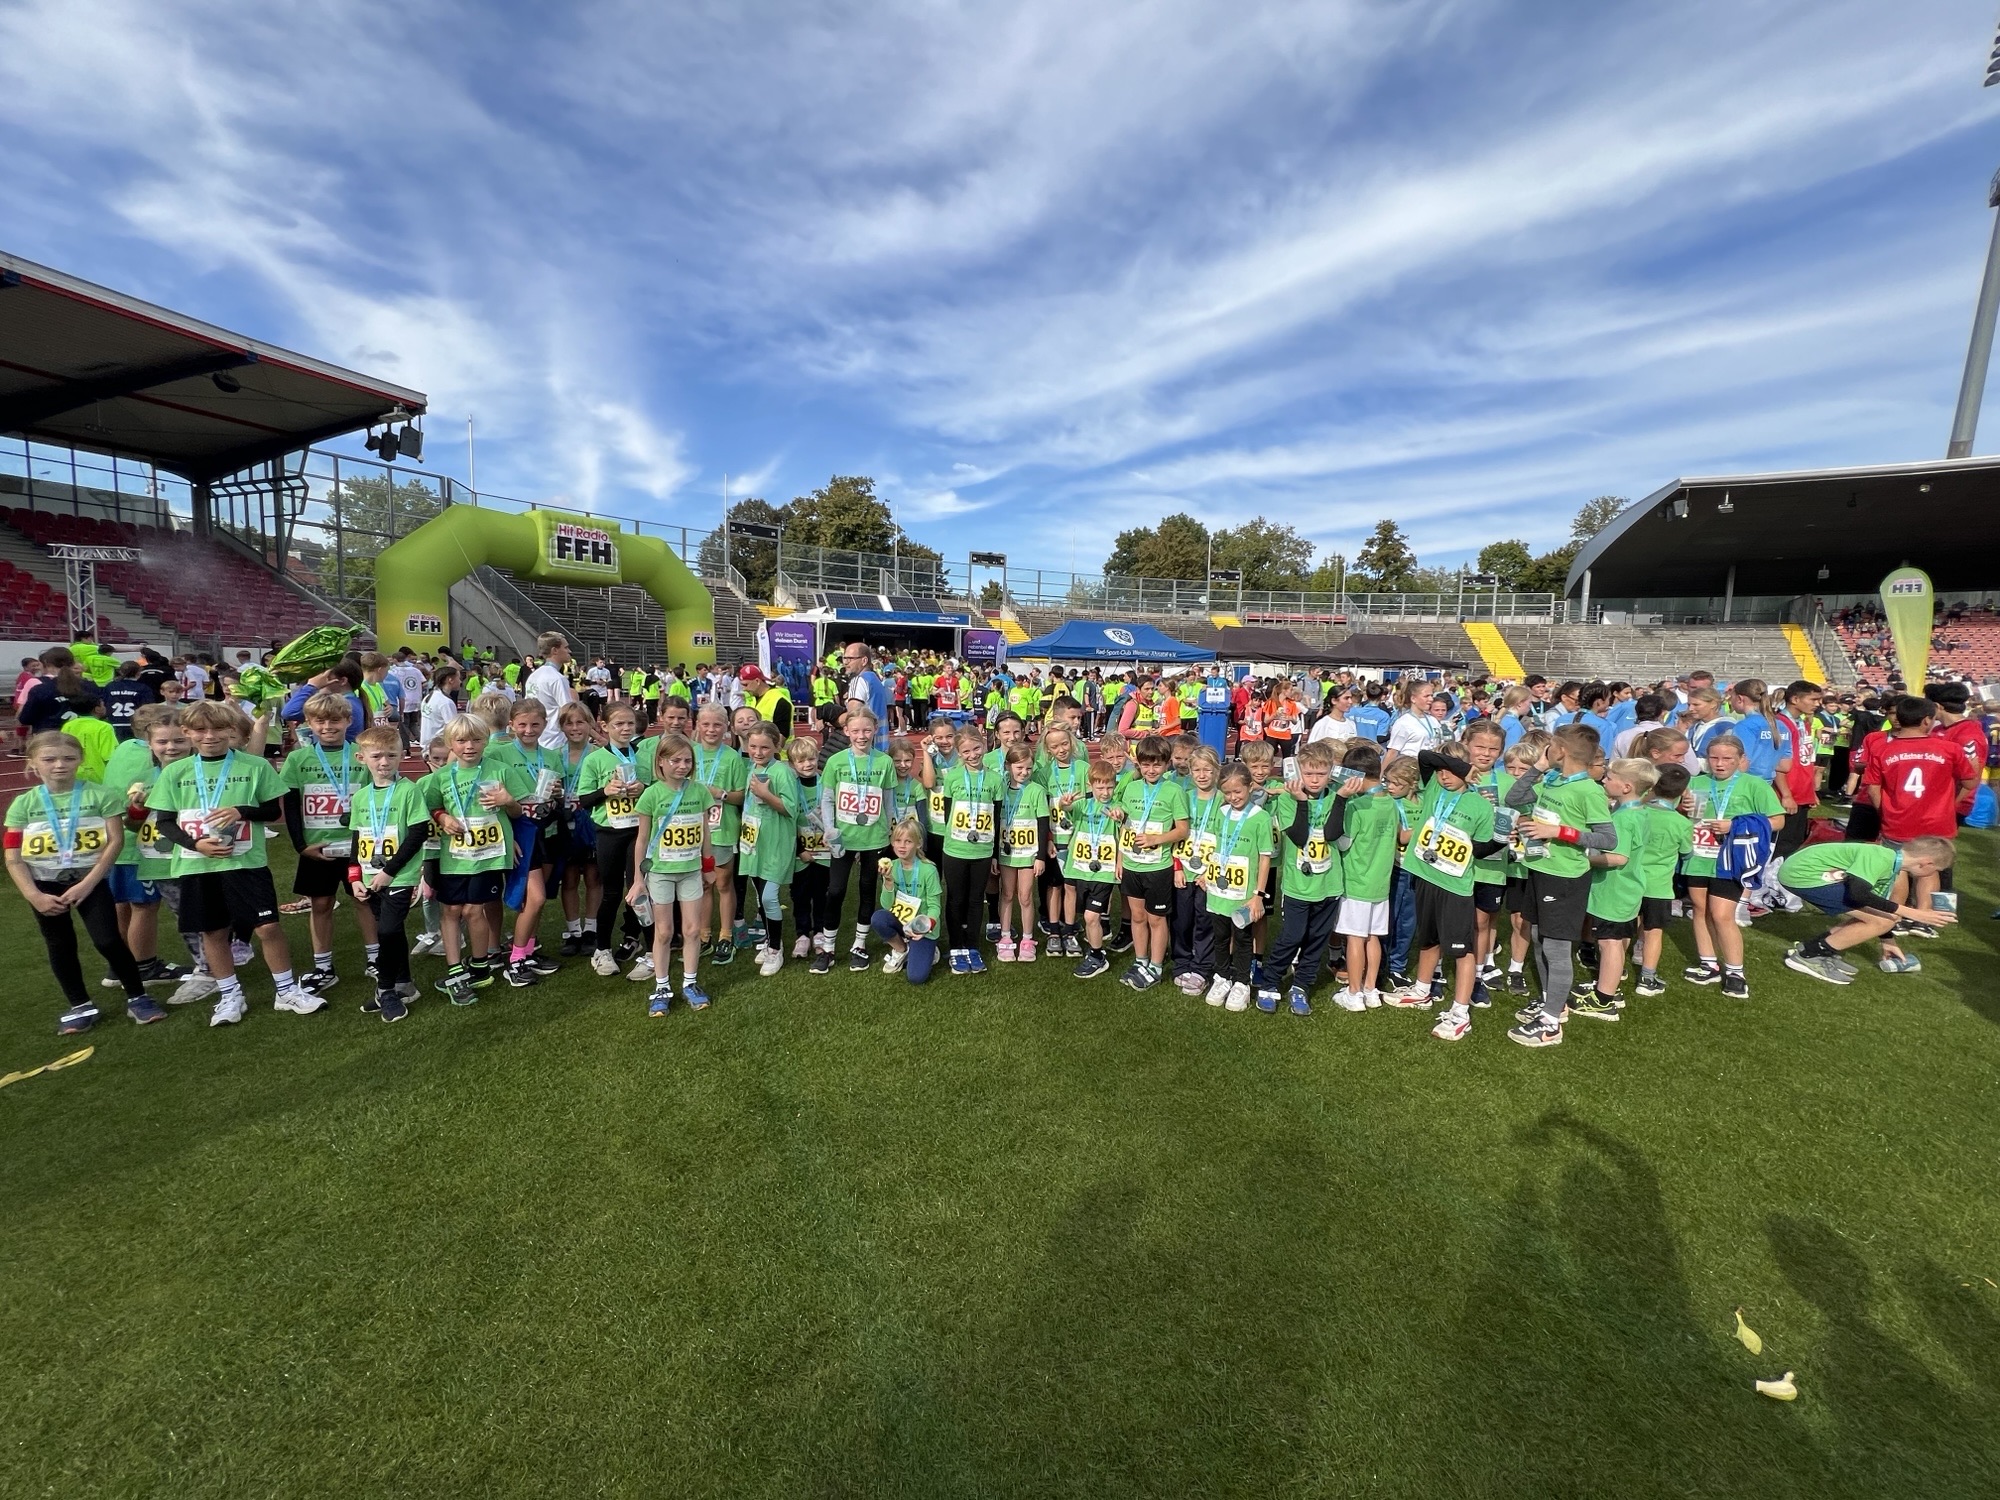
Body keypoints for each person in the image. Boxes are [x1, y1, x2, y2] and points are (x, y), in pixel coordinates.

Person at [147, 699, 307, 1024]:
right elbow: (164, 822)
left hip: (246, 862)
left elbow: (271, 811)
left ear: (231, 729)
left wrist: (241, 811)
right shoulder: (175, 772)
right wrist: (196, 845)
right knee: (213, 932)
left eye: (218, 728)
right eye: (201, 730)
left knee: (268, 927)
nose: (210, 736)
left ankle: (286, 990)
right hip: (197, 865)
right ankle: (230, 995)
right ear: (187, 732)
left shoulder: (254, 766)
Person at [7, 731, 158, 1033]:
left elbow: (115, 842)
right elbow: (13, 858)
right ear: (33, 762)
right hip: (45, 886)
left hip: (90, 881)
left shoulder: (100, 795)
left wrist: (88, 883)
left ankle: (138, 997)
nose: (59, 765)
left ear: (80, 760)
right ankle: (80, 1005)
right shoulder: (22, 804)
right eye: (49, 759)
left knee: (108, 940)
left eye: (68, 758)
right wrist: (33, 895)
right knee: (60, 944)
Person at [1504, 723, 1617, 1046]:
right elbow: (1514, 798)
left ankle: (1551, 1023)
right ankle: (1551, 1003)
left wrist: (1558, 832)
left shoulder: (1588, 791)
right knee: (1539, 938)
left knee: (1556, 947)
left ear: (1561, 750)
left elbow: (1608, 839)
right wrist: (1539, 767)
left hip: (1565, 878)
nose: (1546, 750)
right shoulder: (1553, 779)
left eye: (1550, 746)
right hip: (1540, 869)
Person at [1394, 744, 1501, 1042]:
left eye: (1451, 771)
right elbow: (1425, 757)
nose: (1444, 776)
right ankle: (1421, 990)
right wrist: (1459, 767)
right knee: (1428, 939)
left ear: (1466, 772)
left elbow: (1481, 849)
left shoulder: (1479, 805)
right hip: (1425, 876)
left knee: (1461, 949)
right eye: (1441, 771)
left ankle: (1460, 1012)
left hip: (1455, 885)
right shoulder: (1433, 788)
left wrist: (1502, 840)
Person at [422, 714, 530, 1005]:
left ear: (485, 741)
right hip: (454, 856)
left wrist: (508, 801)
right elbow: (431, 807)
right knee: (450, 910)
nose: (469, 746)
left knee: (473, 910)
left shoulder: (500, 770)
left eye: (476, 740)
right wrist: (442, 817)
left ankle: (480, 965)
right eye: (461, 741)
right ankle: (455, 970)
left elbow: (519, 812)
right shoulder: (441, 777)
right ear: (450, 744)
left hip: (489, 854)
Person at [280, 690, 375, 998]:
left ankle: (376, 960)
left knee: (365, 900)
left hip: (358, 845)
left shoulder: (362, 754)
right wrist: (300, 846)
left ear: (348, 720)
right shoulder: (297, 759)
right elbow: (291, 805)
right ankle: (323, 968)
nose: (327, 727)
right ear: (308, 723)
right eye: (319, 721)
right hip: (317, 848)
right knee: (320, 904)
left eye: (335, 720)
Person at [1676, 732, 1783, 998]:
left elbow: (1777, 821)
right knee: (1700, 910)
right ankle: (1709, 964)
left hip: (1731, 860)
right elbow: (1685, 818)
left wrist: (1734, 825)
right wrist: (1682, 809)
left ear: (1741, 759)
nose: (1720, 764)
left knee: (1722, 915)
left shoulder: (1754, 785)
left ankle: (1735, 972)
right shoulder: (1696, 782)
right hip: (1698, 857)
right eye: (1714, 758)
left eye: (1727, 759)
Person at [1257, 741, 1361, 1015]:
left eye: (1321, 774)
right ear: (1299, 772)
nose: (1315, 780)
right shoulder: (1287, 799)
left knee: (1317, 939)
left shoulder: (1339, 797)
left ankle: (1301, 985)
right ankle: (1270, 982)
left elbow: (1332, 834)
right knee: (1291, 937)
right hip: (1298, 886)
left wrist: (1341, 799)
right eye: (1309, 773)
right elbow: (1300, 836)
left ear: (1331, 773)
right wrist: (1302, 802)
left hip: (1329, 884)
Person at [1779, 836, 1957, 983]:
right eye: (1936, 870)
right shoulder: (1881, 858)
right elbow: (1857, 895)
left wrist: (1888, 941)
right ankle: (1810, 956)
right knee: (1884, 919)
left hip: (1809, 874)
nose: (1932, 874)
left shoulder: (1890, 861)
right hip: (1802, 875)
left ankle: (1812, 949)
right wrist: (1912, 913)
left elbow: (1872, 904)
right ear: (1926, 863)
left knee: (1884, 917)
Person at [344, 725, 431, 1023]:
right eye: (377, 756)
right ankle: (405, 984)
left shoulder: (409, 790)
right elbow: (356, 839)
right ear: (362, 758)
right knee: (391, 931)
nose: (384, 762)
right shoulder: (361, 797)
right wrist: (354, 877)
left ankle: (386, 990)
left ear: (402, 755)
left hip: (398, 876)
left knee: (387, 932)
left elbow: (418, 833)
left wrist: (390, 872)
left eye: (391, 755)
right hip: (370, 878)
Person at [1568, 758, 1659, 1023]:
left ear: (1626, 786)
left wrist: (1583, 859)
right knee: (1618, 940)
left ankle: (1603, 1000)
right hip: (1629, 888)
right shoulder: (1640, 812)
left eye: (1609, 778)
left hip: (1613, 890)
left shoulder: (1623, 819)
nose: (1604, 780)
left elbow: (1618, 857)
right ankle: (1610, 986)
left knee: (1609, 944)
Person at [630, 732, 714, 1011]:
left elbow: (706, 833)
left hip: (691, 871)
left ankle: (690, 982)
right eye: (675, 760)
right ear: (661, 762)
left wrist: (708, 867)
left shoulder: (700, 792)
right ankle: (661, 986)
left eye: (687, 761)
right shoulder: (651, 794)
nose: (682, 766)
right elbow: (642, 839)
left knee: (692, 930)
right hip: (661, 873)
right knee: (664, 932)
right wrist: (638, 879)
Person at [815, 707, 899, 973]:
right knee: (835, 890)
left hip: (875, 837)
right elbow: (827, 799)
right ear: (846, 731)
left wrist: (891, 832)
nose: (861, 736)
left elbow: (889, 801)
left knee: (867, 889)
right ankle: (828, 948)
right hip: (843, 837)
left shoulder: (884, 762)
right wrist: (829, 829)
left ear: (875, 730)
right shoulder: (836, 761)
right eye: (856, 731)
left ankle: (859, 945)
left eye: (867, 730)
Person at [576, 703, 655, 980]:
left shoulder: (644, 757)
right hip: (609, 833)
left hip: (638, 833)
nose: (625, 729)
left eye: (630, 724)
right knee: (610, 893)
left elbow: (659, 790)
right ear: (604, 726)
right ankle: (602, 950)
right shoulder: (594, 759)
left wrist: (644, 789)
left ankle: (652, 952)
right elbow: (584, 800)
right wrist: (605, 791)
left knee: (640, 891)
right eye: (619, 724)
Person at [924, 723, 1003, 975]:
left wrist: (994, 854)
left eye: (976, 749)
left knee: (975, 900)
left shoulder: (995, 779)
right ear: (959, 753)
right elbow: (948, 814)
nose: (972, 755)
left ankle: (973, 946)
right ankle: (956, 946)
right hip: (955, 849)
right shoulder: (953, 777)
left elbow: (997, 818)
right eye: (966, 751)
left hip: (982, 851)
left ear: (984, 746)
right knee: (956, 898)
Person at [1197, 760, 1274, 1012]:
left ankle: (1242, 982)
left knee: (1242, 938)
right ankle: (1222, 977)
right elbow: (1215, 847)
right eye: (1228, 793)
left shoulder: (1260, 818)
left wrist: (1258, 895)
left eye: (1238, 791)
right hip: (1219, 890)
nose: (1233, 797)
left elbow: (1264, 858)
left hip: (1244, 894)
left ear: (1250, 787)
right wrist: (1206, 872)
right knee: (1220, 936)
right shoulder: (1221, 813)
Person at [736, 720, 802, 972]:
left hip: (776, 843)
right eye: (753, 746)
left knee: (769, 897)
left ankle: (776, 948)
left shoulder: (782, 772)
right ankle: (769, 941)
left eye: (764, 747)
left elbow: (790, 809)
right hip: (754, 843)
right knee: (760, 896)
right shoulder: (752, 768)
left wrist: (766, 795)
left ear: (776, 746)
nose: (758, 752)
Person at [689, 703, 748, 962]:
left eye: (717, 725)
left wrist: (720, 794)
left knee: (723, 883)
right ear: (698, 726)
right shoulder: (689, 753)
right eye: (706, 724)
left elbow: (741, 796)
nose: (711, 730)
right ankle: (704, 937)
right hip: (693, 829)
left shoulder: (732, 757)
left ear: (726, 727)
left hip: (722, 829)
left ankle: (726, 936)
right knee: (702, 885)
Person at [1063, 758, 1123, 979]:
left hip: (1104, 872)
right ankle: (1094, 952)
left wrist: (1119, 861)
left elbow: (1122, 821)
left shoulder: (1117, 805)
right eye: (1100, 788)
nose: (1105, 792)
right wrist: (1064, 803)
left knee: (1090, 916)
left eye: (1109, 787)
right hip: (1080, 869)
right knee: (1089, 917)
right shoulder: (1083, 804)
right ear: (1090, 786)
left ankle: (1098, 957)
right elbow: (1067, 808)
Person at [871, 815, 944, 982]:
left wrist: (926, 926)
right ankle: (902, 949)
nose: (902, 846)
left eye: (908, 841)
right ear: (892, 843)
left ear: (918, 843)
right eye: (898, 841)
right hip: (902, 921)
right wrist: (888, 882)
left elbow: (935, 907)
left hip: (922, 927)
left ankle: (930, 950)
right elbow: (887, 906)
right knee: (878, 918)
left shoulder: (929, 870)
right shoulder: (892, 866)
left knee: (916, 977)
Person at [994, 743, 1050, 962]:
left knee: (1025, 896)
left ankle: (1027, 939)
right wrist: (994, 855)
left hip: (1028, 853)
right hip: (1006, 852)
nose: (1024, 772)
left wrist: (1041, 857)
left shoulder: (1036, 790)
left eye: (1028, 768)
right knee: (1007, 894)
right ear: (1008, 766)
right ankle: (1005, 937)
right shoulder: (1000, 788)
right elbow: (994, 822)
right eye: (1019, 768)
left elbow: (1043, 825)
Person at [18, 648, 102, 736]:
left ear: (47, 664)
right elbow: (101, 712)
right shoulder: (90, 686)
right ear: (73, 663)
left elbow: (25, 719)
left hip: (51, 738)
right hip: (85, 735)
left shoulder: (40, 689)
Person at [525, 632, 577, 749]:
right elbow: (568, 712)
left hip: (536, 738)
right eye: (566, 647)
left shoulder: (533, 676)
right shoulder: (557, 678)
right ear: (555, 650)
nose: (569, 651)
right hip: (555, 741)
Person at [102, 660, 156, 742]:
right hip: (134, 726)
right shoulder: (143, 688)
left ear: (120, 671)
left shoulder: (110, 686)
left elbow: (103, 703)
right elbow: (149, 708)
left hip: (113, 724)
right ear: (138, 673)